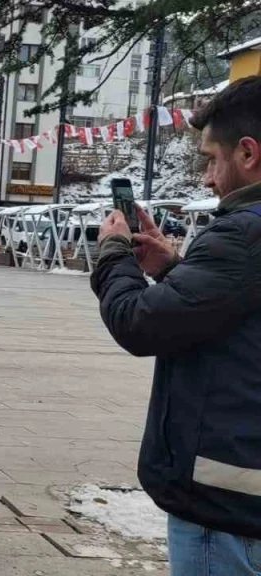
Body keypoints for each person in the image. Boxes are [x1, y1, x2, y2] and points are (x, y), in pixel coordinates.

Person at [91, 76, 261, 575]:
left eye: (212, 159)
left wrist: (113, 253)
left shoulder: (244, 233)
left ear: (248, 153)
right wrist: (172, 267)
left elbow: (140, 324)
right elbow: (237, 308)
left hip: (227, 499)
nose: (207, 178)